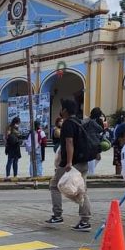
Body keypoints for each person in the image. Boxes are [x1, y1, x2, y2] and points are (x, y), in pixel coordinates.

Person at [46, 99, 92, 231]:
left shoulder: (68, 124)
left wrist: (69, 162)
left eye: (62, 108)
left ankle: (57, 215)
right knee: (82, 190)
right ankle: (85, 220)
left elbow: (69, 143)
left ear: (65, 110)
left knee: (54, 186)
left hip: (72, 163)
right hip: (83, 162)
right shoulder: (79, 122)